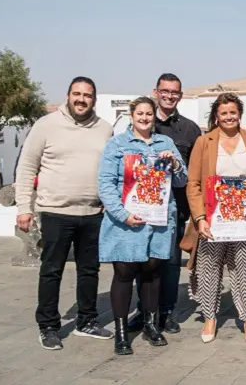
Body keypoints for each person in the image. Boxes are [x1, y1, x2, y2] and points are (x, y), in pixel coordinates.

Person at [15, 76, 114, 350]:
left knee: (89, 271)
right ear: (68, 95)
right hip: (55, 212)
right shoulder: (45, 126)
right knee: (51, 271)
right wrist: (24, 208)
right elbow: (26, 167)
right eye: (77, 94)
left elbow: (111, 170)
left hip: (93, 213)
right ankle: (48, 326)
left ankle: (87, 321)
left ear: (94, 99)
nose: (82, 99)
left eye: (88, 95)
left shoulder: (104, 129)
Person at [97, 97, 188, 355]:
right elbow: (105, 184)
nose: (145, 118)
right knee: (124, 273)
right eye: (140, 113)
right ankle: (122, 332)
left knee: (153, 272)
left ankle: (150, 325)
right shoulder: (116, 145)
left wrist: (176, 164)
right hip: (127, 223)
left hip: (158, 221)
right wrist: (122, 214)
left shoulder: (166, 143)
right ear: (131, 115)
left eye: (149, 114)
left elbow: (182, 180)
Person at [181, 93, 246, 345]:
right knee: (209, 266)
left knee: (245, 267)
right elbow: (194, 183)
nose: (229, 117)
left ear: (239, 113)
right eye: (223, 113)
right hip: (213, 217)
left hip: (244, 217)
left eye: (233, 112)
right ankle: (210, 317)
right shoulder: (204, 142)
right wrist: (199, 218)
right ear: (216, 116)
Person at [127, 73, 201, 334]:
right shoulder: (143, 122)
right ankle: (144, 310)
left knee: (169, 262)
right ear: (156, 91)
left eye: (175, 92)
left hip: (174, 209)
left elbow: (195, 173)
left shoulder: (190, 130)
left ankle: (166, 312)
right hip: (140, 208)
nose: (169, 96)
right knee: (142, 259)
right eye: (165, 91)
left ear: (180, 95)